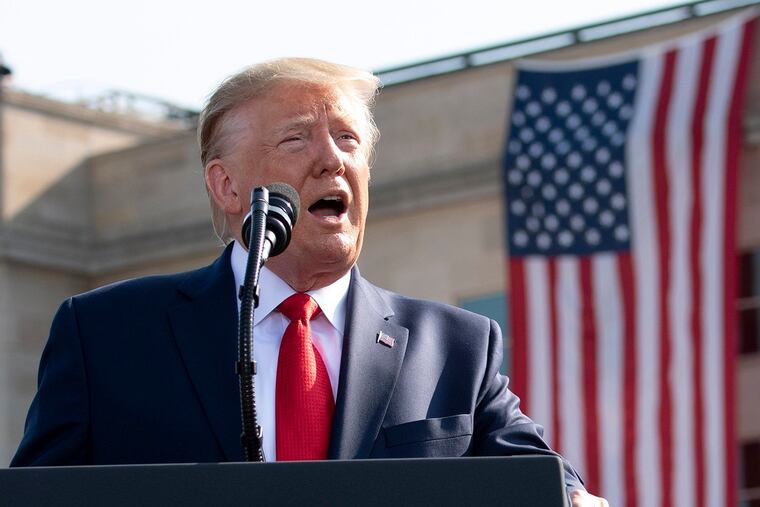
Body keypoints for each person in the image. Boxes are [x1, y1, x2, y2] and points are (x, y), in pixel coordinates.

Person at [11, 58, 607, 506]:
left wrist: (575, 498)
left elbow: (544, 481)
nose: (332, 160)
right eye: (296, 139)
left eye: (348, 139)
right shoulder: (108, 335)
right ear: (225, 185)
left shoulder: (456, 346)